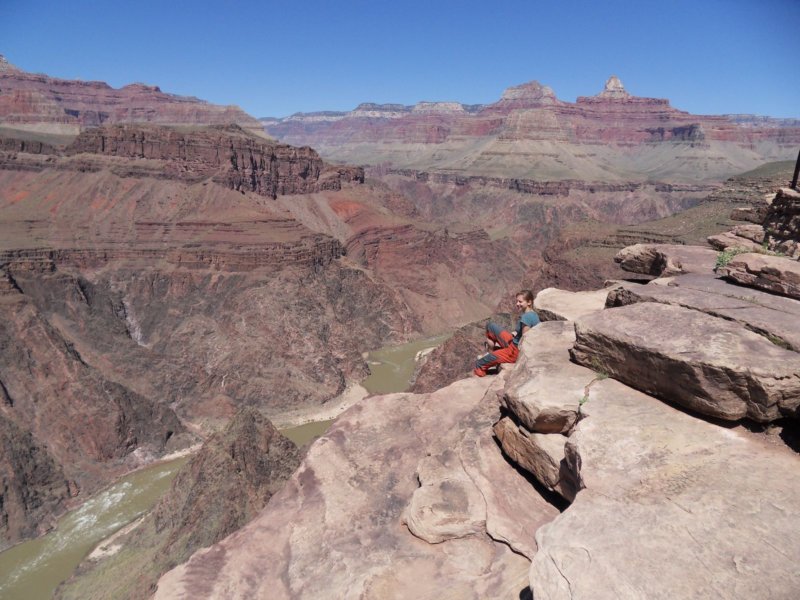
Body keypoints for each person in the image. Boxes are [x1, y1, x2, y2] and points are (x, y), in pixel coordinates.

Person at [473, 289, 540, 377]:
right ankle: (491, 352)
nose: (517, 304)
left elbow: (524, 341)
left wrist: (513, 355)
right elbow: (524, 334)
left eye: (520, 301)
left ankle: (492, 357)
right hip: (513, 342)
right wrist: (516, 333)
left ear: (529, 302)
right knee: (491, 326)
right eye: (517, 301)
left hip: (514, 351)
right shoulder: (533, 314)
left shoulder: (526, 318)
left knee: (479, 364)